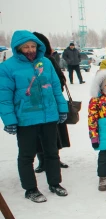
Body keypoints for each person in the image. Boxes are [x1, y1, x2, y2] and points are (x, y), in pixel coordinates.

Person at [0, 30, 69, 202]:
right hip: (26, 118)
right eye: (26, 47)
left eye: (33, 46)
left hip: (48, 116)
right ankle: (30, 189)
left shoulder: (46, 62)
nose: (30, 50)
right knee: (27, 155)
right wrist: (9, 120)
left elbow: (55, 88)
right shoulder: (8, 67)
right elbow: (4, 97)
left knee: (52, 152)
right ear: (18, 48)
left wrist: (62, 109)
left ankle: (55, 183)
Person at [33, 32, 70, 172]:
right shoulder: (28, 63)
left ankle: (55, 159)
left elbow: (61, 79)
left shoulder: (49, 60)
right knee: (38, 134)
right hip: (35, 105)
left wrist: (53, 87)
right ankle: (42, 161)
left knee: (54, 134)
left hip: (52, 104)